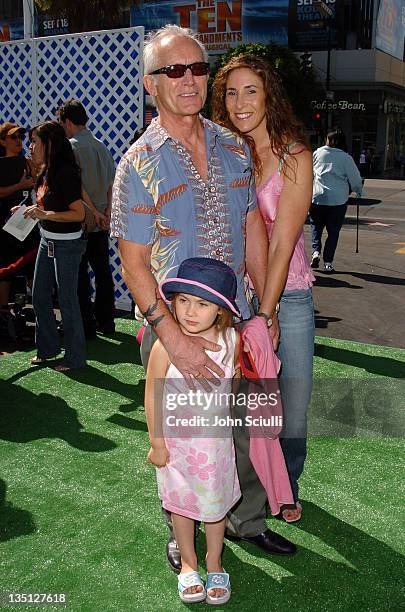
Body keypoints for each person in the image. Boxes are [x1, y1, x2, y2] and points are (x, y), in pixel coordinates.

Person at [111, 25, 295, 570]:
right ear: (151, 84)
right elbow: (134, 263)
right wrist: (173, 338)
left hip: (239, 327)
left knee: (250, 427)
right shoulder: (137, 165)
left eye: (197, 68)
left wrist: (266, 310)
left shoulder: (234, 146)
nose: (190, 79)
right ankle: (182, 534)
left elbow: (252, 233)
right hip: (176, 331)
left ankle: (248, 521)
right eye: (174, 70)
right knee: (185, 445)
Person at [212, 54, 315, 521]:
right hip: (232, 300)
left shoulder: (295, 155)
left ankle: (287, 484)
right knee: (245, 411)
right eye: (231, 92)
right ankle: (248, 492)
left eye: (251, 90)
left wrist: (267, 311)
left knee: (291, 409)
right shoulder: (222, 153)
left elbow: (281, 244)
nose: (240, 102)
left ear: (269, 94)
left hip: (286, 298)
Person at [146, 257, 242, 604]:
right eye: (183, 300)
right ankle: (189, 563)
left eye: (202, 303)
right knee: (182, 508)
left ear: (220, 310)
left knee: (215, 509)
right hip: (177, 449)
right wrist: (157, 442)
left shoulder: (233, 341)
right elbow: (152, 393)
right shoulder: (165, 345)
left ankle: (214, 560)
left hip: (215, 449)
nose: (189, 311)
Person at [24, 121, 86, 371]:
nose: (30, 146)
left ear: (48, 144)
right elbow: (45, 205)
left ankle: (75, 358)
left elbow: (78, 214)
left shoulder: (64, 172)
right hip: (46, 241)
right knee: (39, 295)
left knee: (68, 302)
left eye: (35, 141)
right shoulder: (45, 170)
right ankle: (48, 349)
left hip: (67, 246)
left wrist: (45, 214)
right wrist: (28, 212)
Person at [58, 99, 116, 337]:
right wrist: (108, 213)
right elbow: (113, 182)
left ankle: (87, 325)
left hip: (83, 219)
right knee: (103, 271)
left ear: (68, 121)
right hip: (102, 218)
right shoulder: (101, 145)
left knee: (80, 274)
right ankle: (107, 321)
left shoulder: (70, 147)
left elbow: (77, 187)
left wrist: (94, 213)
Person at [309, 129, 363, 273]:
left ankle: (315, 252)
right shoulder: (346, 158)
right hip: (338, 201)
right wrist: (358, 190)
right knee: (333, 232)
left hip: (317, 198)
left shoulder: (317, 153)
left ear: (329, 140)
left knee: (316, 227)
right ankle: (328, 263)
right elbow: (355, 179)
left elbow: (309, 173)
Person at [0, 122, 36, 309]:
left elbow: (39, 184)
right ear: (2, 141)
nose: (18, 141)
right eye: (13, 137)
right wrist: (20, 186)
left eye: (20, 137)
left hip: (28, 222)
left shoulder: (27, 162)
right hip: (5, 224)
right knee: (6, 267)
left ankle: (40, 310)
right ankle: (4, 311)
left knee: (32, 267)